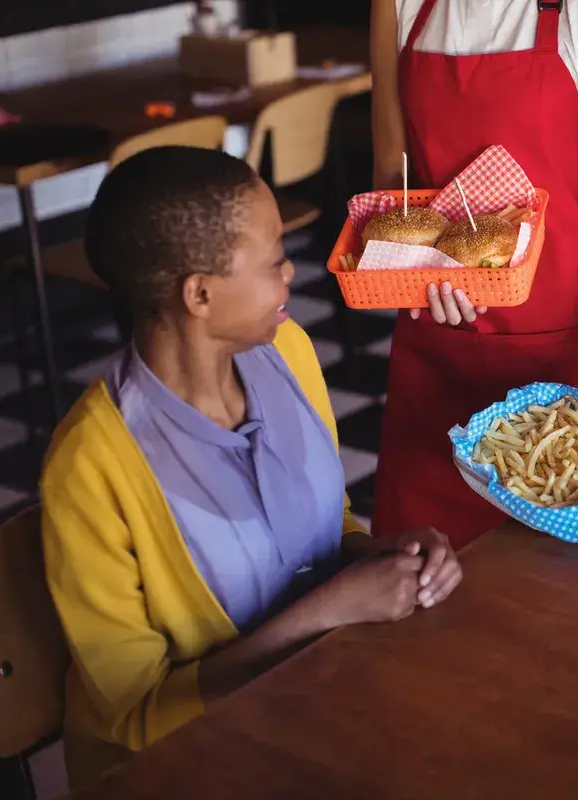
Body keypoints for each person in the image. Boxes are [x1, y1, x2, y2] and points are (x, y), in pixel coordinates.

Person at [40, 146, 463, 789]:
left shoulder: (287, 350)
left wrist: (385, 556)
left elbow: (331, 531)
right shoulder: (89, 467)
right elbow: (134, 716)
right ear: (200, 294)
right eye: (272, 260)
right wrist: (327, 612)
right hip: (186, 769)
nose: (291, 272)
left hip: (324, 704)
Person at [367, 0, 578, 549]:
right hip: (440, 350)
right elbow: (394, 183)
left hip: (574, 359)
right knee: (422, 587)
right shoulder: (399, 7)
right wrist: (411, 280)